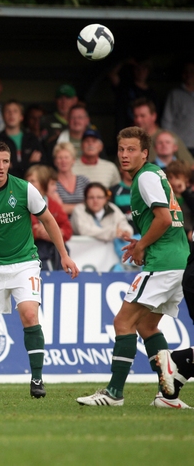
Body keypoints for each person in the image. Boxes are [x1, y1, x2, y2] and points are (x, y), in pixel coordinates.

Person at [0, 140, 79, 401]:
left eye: (5, 161)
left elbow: (49, 220)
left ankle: (37, 379)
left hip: (24, 263)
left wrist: (64, 255)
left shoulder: (24, 189)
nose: (1, 166)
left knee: (29, 314)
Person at [76, 126, 189, 409]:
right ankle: (168, 396)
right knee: (148, 326)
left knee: (123, 322)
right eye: (121, 149)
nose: (124, 155)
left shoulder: (146, 178)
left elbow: (163, 219)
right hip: (177, 260)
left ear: (145, 153)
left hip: (163, 263)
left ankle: (114, 392)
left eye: (131, 150)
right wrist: (141, 244)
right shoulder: (153, 175)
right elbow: (166, 222)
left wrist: (141, 246)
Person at [70, 182, 133, 266]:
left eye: (99, 197)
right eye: (91, 197)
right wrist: (113, 232)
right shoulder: (78, 210)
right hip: (82, 257)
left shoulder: (112, 208)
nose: (95, 200)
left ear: (105, 199)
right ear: (85, 199)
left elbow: (123, 224)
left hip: (109, 261)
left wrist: (126, 232)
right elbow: (85, 230)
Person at [25, 164, 72, 271]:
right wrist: (37, 233)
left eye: (33, 180)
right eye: (27, 180)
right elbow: (15, 231)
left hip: (54, 249)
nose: (28, 184)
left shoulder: (53, 204)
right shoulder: (21, 203)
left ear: (43, 182)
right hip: (31, 250)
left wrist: (57, 232)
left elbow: (67, 229)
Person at [132, 98, 194, 166]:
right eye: (135, 116)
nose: (138, 120)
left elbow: (190, 165)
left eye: (142, 116)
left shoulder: (168, 136)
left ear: (154, 116)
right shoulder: (131, 140)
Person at [0, 99, 45, 179]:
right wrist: (29, 163)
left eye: (15, 111)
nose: (11, 114)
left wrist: (13, 166)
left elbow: (40, 166)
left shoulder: (32, 138)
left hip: (31, 184)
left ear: (21, 117)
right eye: (8, 111)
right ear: (2, 116)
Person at [109, 57, 159, 131]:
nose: (141, 72)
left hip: (145, 132)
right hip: (125, 129)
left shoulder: (152, 93)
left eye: (144, 69)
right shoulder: (126, 86)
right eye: (138, 69)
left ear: (148, 71)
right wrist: (123, 61)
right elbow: (112, 74)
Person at [162, 61, 194, 154]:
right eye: (186, 72)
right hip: (182, 146)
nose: (189, 74)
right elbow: (166, 121)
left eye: (192, 71)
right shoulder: (175, 94)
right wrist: (168, 143)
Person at [53, 142, 90, 217]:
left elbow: (92, 205)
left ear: (73, 160)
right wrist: (82, 206)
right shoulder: (51, 183)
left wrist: (65, 207)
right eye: (60, 158)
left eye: (66, 157)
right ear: (55, 162)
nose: (63, 161)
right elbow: (54, 209)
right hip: (61, 225)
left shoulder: (84, 181)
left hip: (85, 224)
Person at [44, 84, 78, 151]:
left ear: (75, 100)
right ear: (55, 100)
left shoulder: (82, 121)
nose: (64, 102)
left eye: (68, 98)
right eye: (60, 98)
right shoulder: (45, 121)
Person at [164, 160, 193, 238]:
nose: (172, 181)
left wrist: (184, 192)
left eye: (177, 177)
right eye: (170, 177)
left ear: (186, 179)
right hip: (172, 236)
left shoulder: (190, 196)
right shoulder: (165, 196)